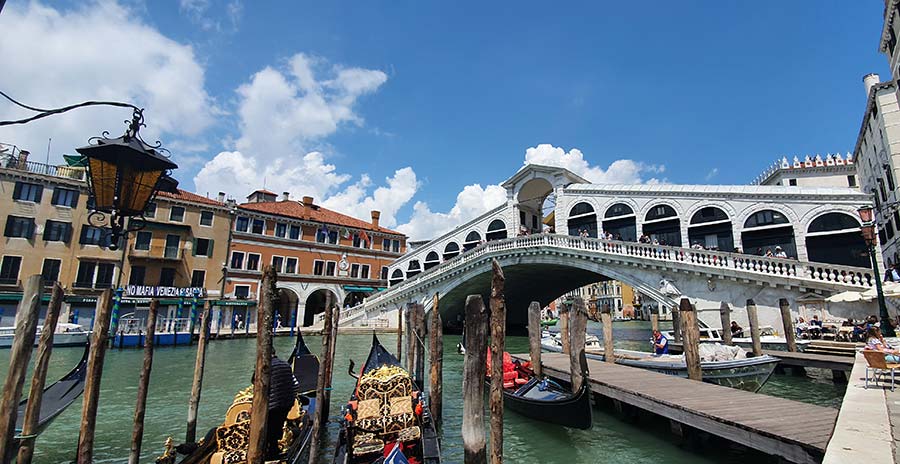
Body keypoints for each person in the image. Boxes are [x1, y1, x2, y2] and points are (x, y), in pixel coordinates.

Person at [262, 351, 301, 459]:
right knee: (277, 426)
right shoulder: (286, 365)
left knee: (267, 429)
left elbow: (257, 385)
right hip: (286, 403)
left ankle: (267, 453)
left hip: (271, 405)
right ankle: (273, 451)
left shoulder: (264, 366)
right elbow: (296, 385)